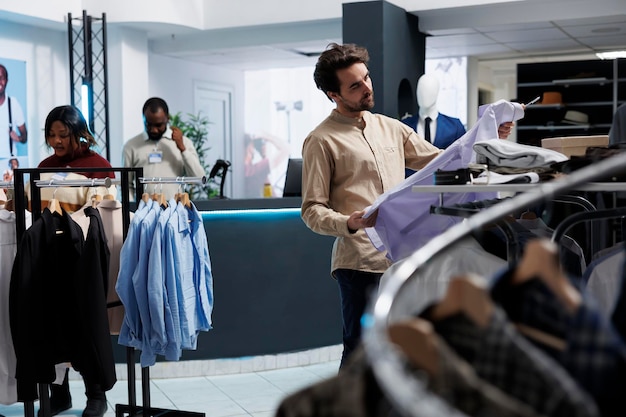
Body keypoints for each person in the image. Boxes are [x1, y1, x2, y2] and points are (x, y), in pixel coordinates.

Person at [300, 43, 443, 368]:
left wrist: (487, 141)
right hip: (360, 264)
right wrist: (348, 222)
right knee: (362, 353)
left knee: (403, 351)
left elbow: (441, 160)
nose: (367, 87)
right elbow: (311, 210)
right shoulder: (321, 140)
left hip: (402, 259)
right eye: (355, 85)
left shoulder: (390, 127)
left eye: (366, 78)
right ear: (333, 95)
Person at [32, 105, 115, 417]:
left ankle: (96, 394)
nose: (56, 141)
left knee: (86, 324)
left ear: (78, 133)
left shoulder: (99, 166)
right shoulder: (44, 166)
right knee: (52, 322)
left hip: (86, 258)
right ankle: (59, 393)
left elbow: (109, 212)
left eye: (62, 135)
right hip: (51, 257)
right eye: (51, 135)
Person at [122, 97, 205, 200]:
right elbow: (126, 184)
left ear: (167, 119)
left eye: (158, 125)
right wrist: (130, 211)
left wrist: (182, 149)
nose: (154, 130)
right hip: (143, 212)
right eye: (148, 124)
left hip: (175, 211)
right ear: (143, 118)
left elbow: (199, 179)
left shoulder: (184, 142)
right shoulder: (131, 146)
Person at [402, 73, 515, 148]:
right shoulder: (403, 126)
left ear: (437, 93)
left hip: (444, 181)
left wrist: (493, 134)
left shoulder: (454, 126)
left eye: (428, 91)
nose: (424, 95)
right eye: (421, 91)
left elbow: (466, 151)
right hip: (410, 182)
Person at [244, 132, 290, 197]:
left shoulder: (247, 171)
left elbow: (267, 194)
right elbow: (286, 149)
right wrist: (266, 136)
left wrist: (263, 156)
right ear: (249, 149)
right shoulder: (254, 171)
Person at [0, 64, 28, 160]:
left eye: (1, 78)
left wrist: (18, 138)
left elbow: (25, 137)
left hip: (9, 163)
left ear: (6, 81)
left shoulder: (13, 104)